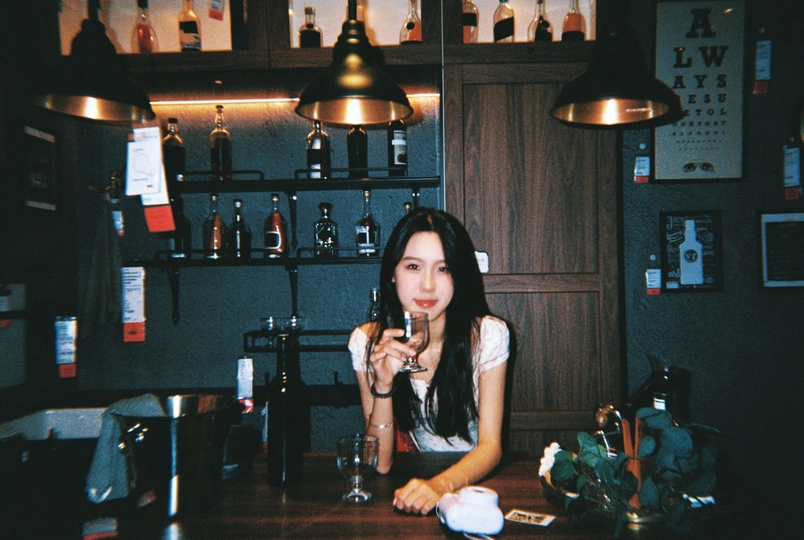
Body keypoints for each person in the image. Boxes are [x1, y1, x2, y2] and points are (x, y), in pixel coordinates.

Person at [348, 207, 510, 515]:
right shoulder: (367, 342)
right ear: (392, 273)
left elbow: (490, 448)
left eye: (443, 268)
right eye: (413, 266)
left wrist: (439, 486)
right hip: (412, 489)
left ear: (458, 277)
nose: (427, 285)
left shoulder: (489, 335)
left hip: (473, 489)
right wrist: (383, 384)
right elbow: (380, 463)